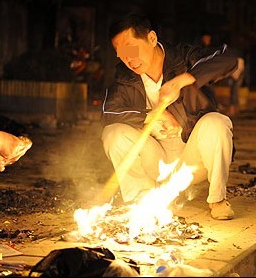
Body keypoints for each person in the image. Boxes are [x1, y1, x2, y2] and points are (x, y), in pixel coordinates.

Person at [101, 14, 238, 220]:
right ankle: (141, 198)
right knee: (113, 133)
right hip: (155, 159)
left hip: (194, 158)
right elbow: (109, 111)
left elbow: (228, 58)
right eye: (121, 53)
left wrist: (182, 81)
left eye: (131, 48)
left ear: (152, 38)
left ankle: (217, 200)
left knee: (216, 123)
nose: (129, 59)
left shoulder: (184, 58)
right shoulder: (125, 76)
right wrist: (151, 116)